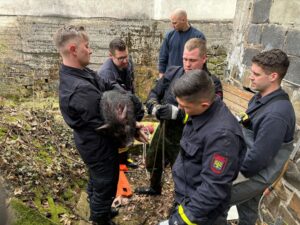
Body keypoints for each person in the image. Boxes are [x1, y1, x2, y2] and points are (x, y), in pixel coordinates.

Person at [53, 25, 147, 225]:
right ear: (73, 49)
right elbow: (110, 126)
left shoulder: (81, 72)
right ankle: (100, 218)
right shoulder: (79, 90)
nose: (90, 50)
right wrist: (133, 128)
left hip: (96, 142)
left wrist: (123, 96)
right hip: (98, 147)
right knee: (106, 184)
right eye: (86, 46)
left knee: (98, 181)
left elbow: (105, 84)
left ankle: (98, 208)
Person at [135, 38, 223, 196]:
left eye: (192, 60)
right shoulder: (173, 72)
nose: (187, 64)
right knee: (153, 161)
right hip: (164, 130)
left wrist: (178, 113)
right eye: (185, 59)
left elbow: (211, 116)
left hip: (188, 138)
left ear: (204, 59)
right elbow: (154, 93)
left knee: (183, 175)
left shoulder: (211, 84)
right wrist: (154, 108)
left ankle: (181, 202)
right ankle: (155, 188)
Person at [158, 70, 246, 225]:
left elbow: (213, 188)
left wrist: (181, 220)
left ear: (204, 104)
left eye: (184, 106)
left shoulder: (222, 137)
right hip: (187, 196)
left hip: (202, 213)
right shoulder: (201, 111)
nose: (180, 108)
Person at [219, 49, 296, 225]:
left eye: (256, 74)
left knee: (214, 200)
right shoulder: (260, 98)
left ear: (273, 76)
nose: (250, 77)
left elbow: (257, 160)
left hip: (254, 174)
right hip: (247, 164)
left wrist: (226, 177)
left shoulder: (277, 114)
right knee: (248, 212)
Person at [97, 38, 138, 168]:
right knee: (117, 134)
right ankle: (116, 162)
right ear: (111, 56)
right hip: (113, 110)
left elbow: (130, 84)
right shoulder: (105, 74)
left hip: (125, 102)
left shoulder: (128, 62)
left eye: (126, 56)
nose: (125, 60)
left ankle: (125, 159)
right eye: (120, 58)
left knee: (126, 132)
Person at [158, 8, 206, 78]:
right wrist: (161, 75)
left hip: (190, 79)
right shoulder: (169, 36)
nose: (172, 25)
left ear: (183, 20)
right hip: (171, 77)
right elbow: (163, 57)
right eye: (171, 22)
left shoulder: (198, 36)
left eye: (175, 23)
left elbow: (202, 60)